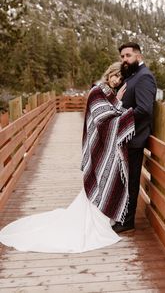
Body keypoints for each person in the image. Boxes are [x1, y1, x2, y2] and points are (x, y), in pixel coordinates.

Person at [0, 62, 135, 253]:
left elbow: (113, 113)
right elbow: (102, 120)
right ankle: (100, 217)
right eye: (115, 76)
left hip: (107, 149)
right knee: (98, 185)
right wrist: (130, 114)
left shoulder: (109, 93)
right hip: (100, 149)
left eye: (121, 79)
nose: (117, 80)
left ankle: (106, 214)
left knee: (104, 185)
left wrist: (119, 102)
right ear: (109, 74)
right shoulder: (98, 91)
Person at [112, 42, 157, 234]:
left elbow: (144, 109)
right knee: (124, 180)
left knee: (131, 181)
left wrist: (120, 117)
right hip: (126, 138)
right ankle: (122, 216)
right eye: (122, 56)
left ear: (138, 56)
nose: (124, 60)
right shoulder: (132, 76)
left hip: (135, 139)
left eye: (128, 55)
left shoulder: (144, 77)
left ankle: (128, 221)